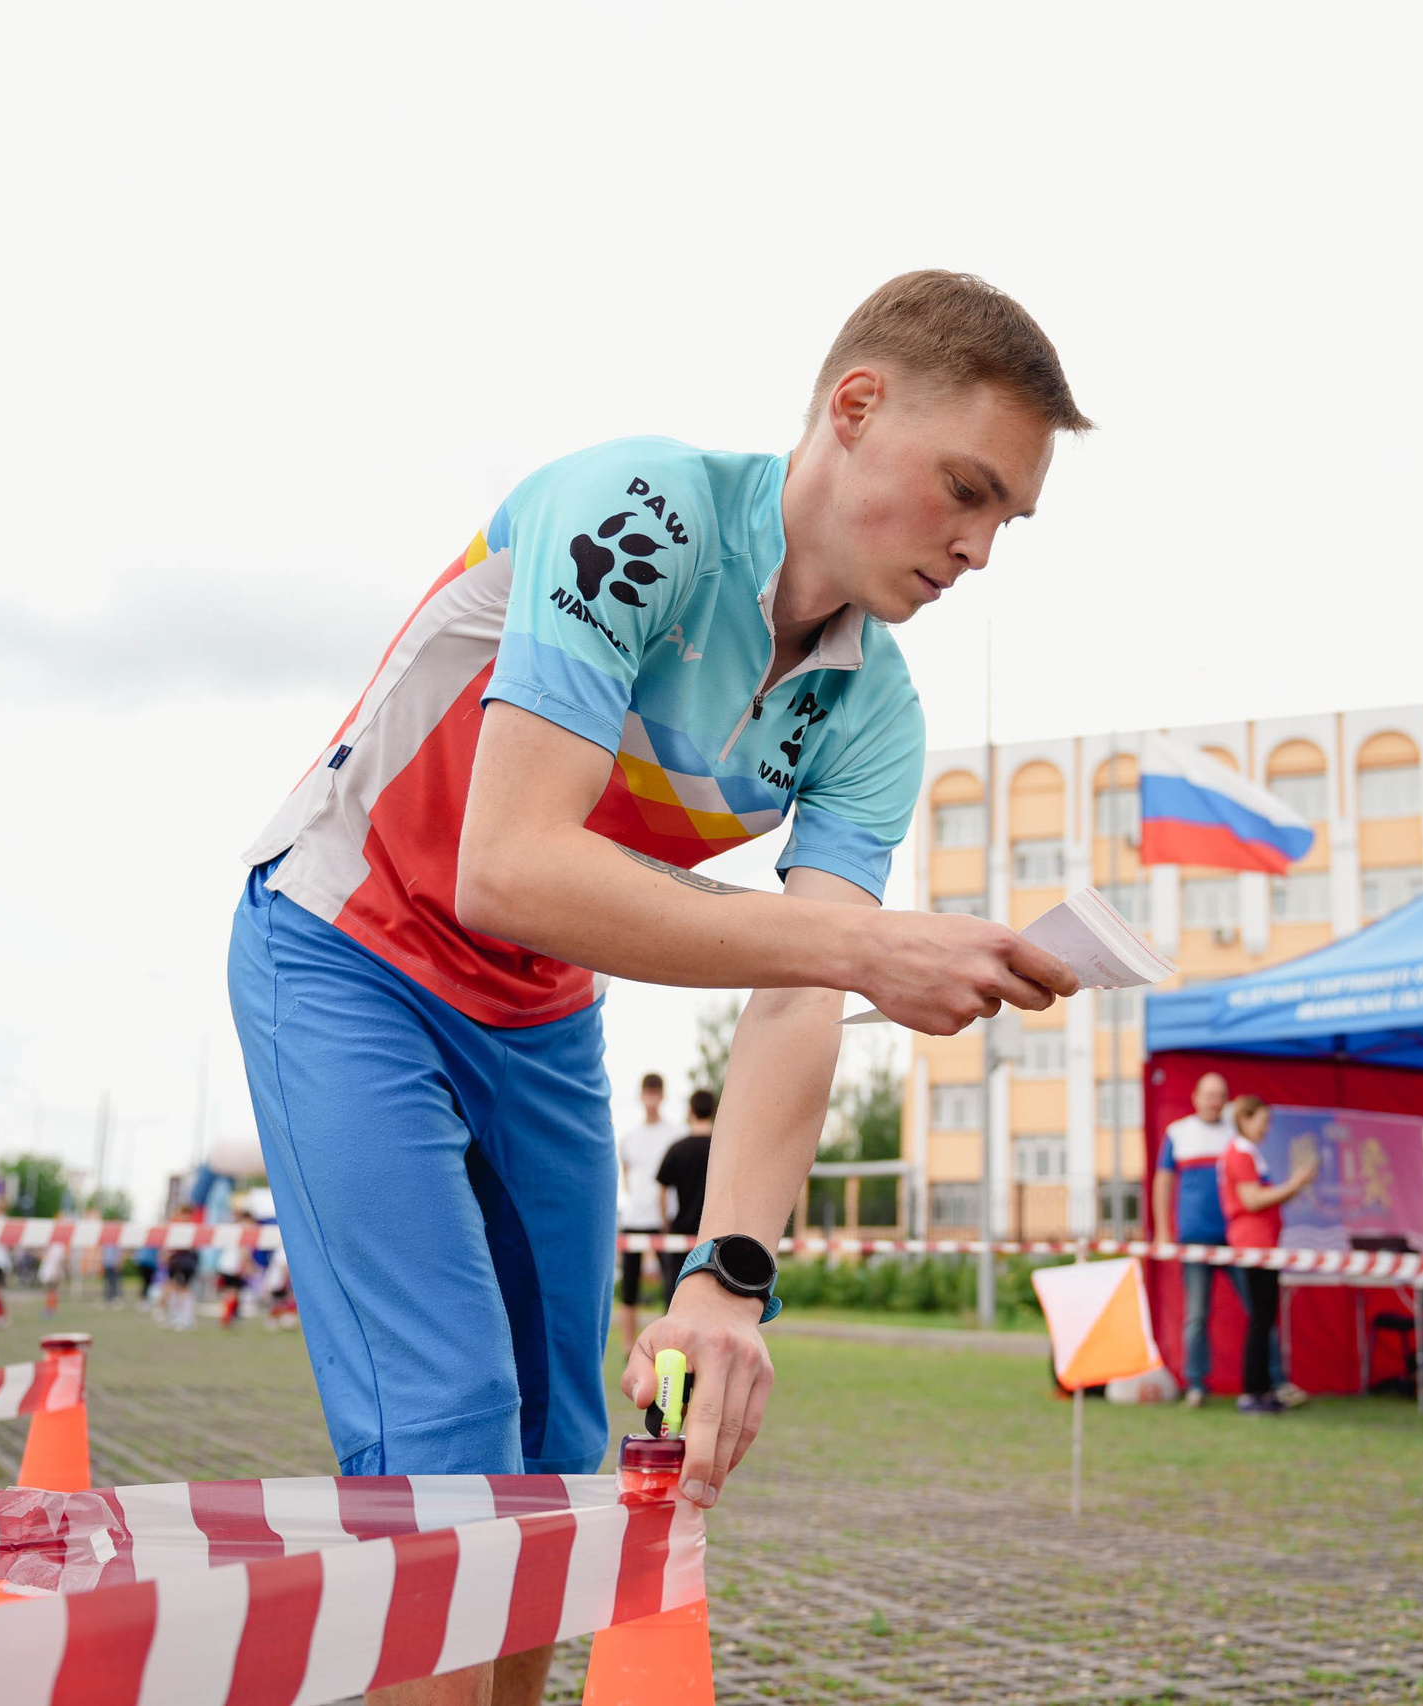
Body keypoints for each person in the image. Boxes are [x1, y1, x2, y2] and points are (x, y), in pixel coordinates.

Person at [225, 270, 1086, 1706]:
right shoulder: (640, 511)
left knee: (558, 1460)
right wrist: (869, 948)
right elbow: (510, 864)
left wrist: (727, 1278)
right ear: (854, 408)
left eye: (1010, 519)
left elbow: (801, 989)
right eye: (966, 489)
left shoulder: (873, 705)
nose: (981, 548)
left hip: (540, 1012)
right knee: (450, 1430)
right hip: (347, 950)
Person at [1219, 1096, 1318, 1415]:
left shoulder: (1247, 1152)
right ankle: (1254, 1392)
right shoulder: (1240, 1153)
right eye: (1262, 1121)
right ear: (1245, 1119)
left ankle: (1262, 1390)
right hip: (1254, 1245)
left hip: (1262, 1244)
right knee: (1261, 1319)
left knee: (1264, 1318)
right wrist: (1295, 1184)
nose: (1266, 1128)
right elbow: (1252, 1200)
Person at [1152, 1072, 1233, 1407]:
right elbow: (1163, 1181)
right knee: (1196, 1315)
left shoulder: (1235, 1132)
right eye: (1208, 1095)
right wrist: (1163, 1230)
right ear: (1196, 1097)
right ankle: (1196, 1384)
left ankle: (1271, 1380)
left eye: (1219, 1095)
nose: (1213, 1101)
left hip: (1235, 1238)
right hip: (1194, 1237)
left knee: (1259, 1309)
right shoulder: (1178, 1132)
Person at [615, 1072, 686, 1347]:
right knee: (629, 1291)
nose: (651, 1100)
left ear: (662, 1096)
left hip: (663, 1221)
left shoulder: (676, 1134)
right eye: (648, 1093)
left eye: (655, 1094)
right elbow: (626, 1177)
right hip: (634, 1219)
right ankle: (628, 1349)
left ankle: (669, 1344)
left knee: (671, 1288)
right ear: (641, 1096)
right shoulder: (629, 1138)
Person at [655, 1090, 719, 1298]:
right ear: (713, 1110)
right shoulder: (721, 1149)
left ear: (691, 1111)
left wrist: (665, 1221)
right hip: (715, 1231)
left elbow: (662, 1190)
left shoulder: (677, 1149)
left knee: (676, 1292)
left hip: (681, 1229)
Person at [37, 1239, 65, 1319]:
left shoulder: (57, 1247)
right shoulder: (51, 1246)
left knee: (52, 1292)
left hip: (52, 1273)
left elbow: (58, 1261)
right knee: (50, 1291)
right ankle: (49, 1308)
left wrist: (56, 1272)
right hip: (49, 1272)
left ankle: (52, 1309)